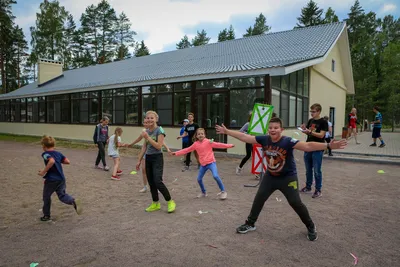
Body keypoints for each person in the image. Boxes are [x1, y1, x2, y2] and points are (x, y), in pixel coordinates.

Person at [215, 118, 347, 241]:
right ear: (268, 130)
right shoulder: (264, 139)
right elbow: (245, 137)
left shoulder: (287, 141)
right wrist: (227, 132)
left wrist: (328, 146)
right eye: (271, 127)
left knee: (295, 202)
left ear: (281, 130)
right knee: (259, 198)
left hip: (288, 177)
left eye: (276, 127)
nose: (273, 130)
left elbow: (308, 146)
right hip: (270, 177)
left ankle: (310, 226)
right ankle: (250, 223)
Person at [171, 128, 234, 200]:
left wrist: (229, 145)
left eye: (202, 134)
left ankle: (223, 191)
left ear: (204, 135)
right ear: (196, 136)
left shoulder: (209, 142)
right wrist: (176, 153)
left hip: (211, 162)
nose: (200, 135)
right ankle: (204, 192)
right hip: (203, 165)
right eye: (199, 134)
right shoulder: (195, 144)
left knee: (215, 176)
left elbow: (219, 145)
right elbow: (187, 150)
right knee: (199, 179)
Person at [136, 110, 176, 213]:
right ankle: (155, 203)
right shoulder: (147, 131)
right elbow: (144, 147)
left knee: (157, 181)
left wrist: (147, 137)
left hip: (157, 157)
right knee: (151, 182)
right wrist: (139, 160)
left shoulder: (160, 130)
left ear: (156, 119)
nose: (149, 119)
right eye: (148, 118)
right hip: (148, 158)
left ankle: (170, 201)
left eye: (152, 118)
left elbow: (158, 146)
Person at [38, 135, 82, 221]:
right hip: (61, 179)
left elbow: (51, 161)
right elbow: (67, 161)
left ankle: (46, 215)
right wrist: (58, 162)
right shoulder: (58, 153)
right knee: (62, 195)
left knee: (46, 197)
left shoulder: (45, 154)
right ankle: (73, 201)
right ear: (53, 145)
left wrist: (44, 171)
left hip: (51, 180)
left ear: (43, 146)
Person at [299, 103, 328, 198]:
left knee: (317, 170)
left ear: (319, 111)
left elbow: (321, 135)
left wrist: (310, 132)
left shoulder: (323, 122)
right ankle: (308, 187)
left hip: (318, 147)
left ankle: (318, 190)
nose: (312, 113)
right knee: (308, 169)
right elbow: (308, 133)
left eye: (314, 111)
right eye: (311, 111)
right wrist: (304, 129)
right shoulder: (310, 120)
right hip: (308, 146)